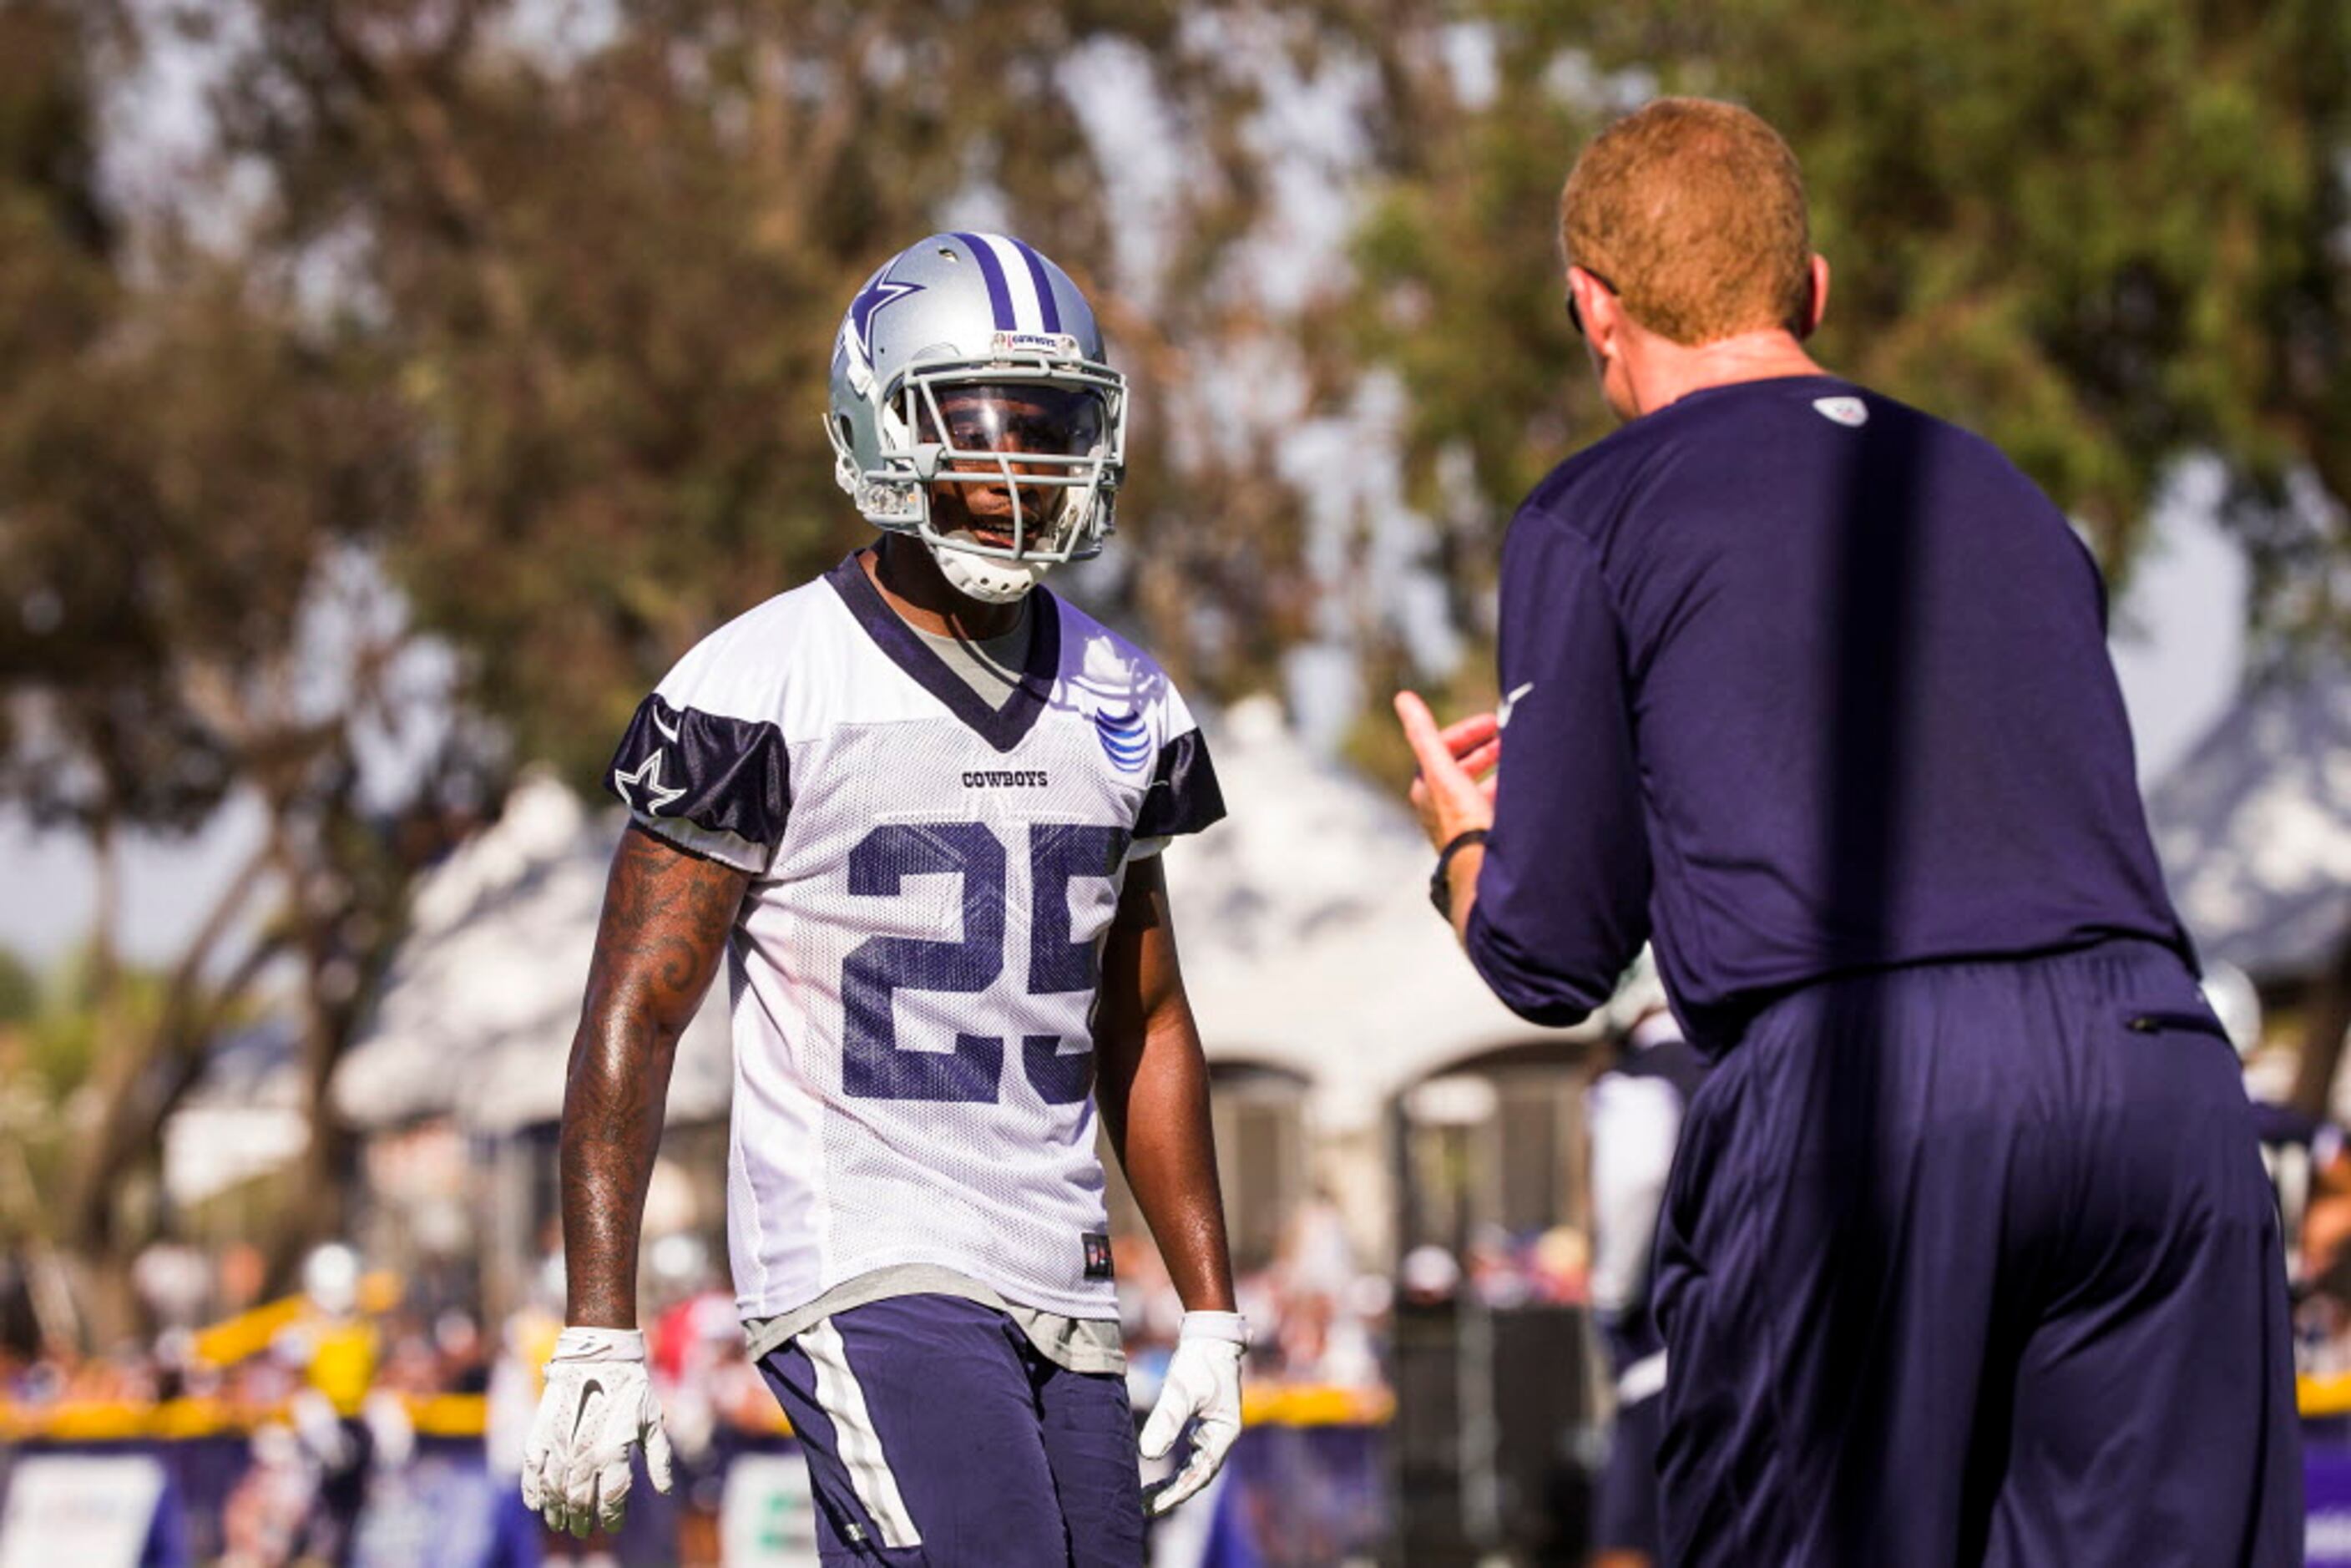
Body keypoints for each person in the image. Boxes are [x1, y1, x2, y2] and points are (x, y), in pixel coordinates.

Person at [1394, 98, 2298, 1565]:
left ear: (1589, 306)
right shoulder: (2007, 492)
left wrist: (1463, 842)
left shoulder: (1594, 509)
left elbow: (1553, 950)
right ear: (1811, 292)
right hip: (2161, 1069)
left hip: (1869, 1084)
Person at [519, 233, 1246, 1565]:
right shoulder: (766, 684)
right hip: (864, 1252)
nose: (1019, 470)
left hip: (1059, 1266)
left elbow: (1144, 1016)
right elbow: (635, 1009)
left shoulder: (1126, 699)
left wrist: (1210, 1307)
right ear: (878, 422)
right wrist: (601, 1321)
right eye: (976, 426)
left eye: (1050, 428)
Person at [1583, 951, 1705, 1568]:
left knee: (1627, 1542)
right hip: (1755, 1354)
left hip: (1663, 1357)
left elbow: (1635, 1181)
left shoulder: (1641, 1079)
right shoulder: (1751, 1066)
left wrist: (1610, 1291)